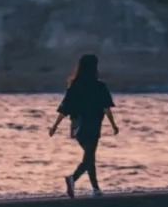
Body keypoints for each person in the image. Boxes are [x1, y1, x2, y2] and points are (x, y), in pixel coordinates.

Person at [48, 53, 118, 198]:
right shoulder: (100, 86)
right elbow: (106, 108)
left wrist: (54, 126)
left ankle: (96, 189)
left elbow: (64, 108)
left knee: (89, 157)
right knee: (89, 157)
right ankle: (73, 179)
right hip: (93, 126)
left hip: (77, 127)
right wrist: (113, 125)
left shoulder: (74, 86)